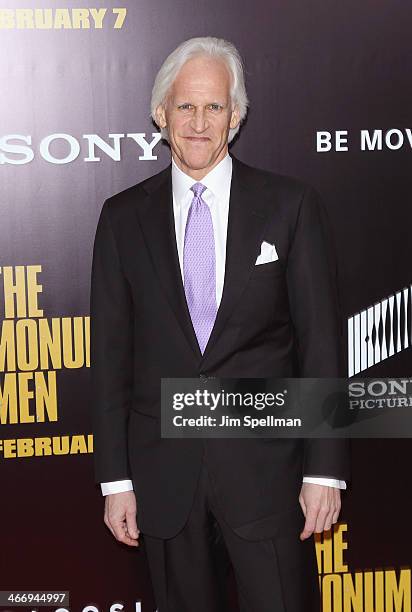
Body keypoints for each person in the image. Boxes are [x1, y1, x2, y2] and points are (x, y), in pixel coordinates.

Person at [90, 36, 350, 612]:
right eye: (186, 106)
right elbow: (110, 359)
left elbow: (322, 346)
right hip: (163, 480)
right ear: (162, 115)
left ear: (236, 117)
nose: (199, 122)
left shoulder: (291, 205)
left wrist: (325, 472)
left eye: (214, 107)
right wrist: (115, 481)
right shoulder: (122, 218)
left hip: (268, 476)